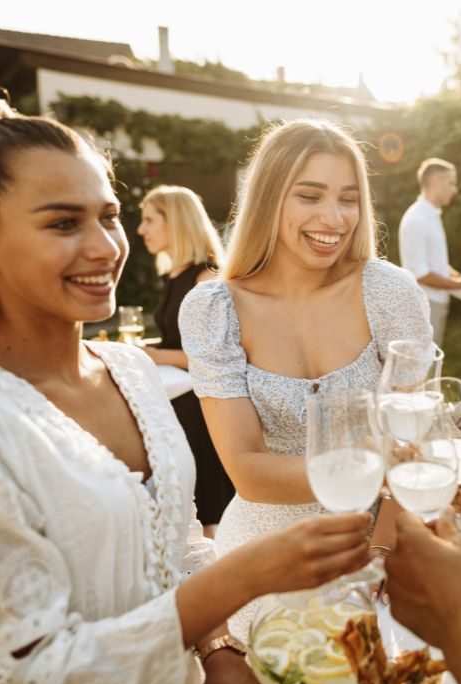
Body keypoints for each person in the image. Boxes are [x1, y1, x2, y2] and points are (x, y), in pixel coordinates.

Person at [0, 62, 372, 684]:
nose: (106, 247)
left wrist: (220, 651)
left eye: (108, 215)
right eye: (62, 223)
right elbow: (24, 669)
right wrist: (240, 579)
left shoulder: (130, 372)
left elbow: (178, 544)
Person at [178, 118, 432, 642]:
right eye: (310, 196)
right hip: (262, 562)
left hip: (384, 552)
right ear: (269, 198)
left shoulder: (389, 291)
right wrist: (375, 461)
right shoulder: (213, 309)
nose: (333, 218)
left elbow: (416, 440)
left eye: (348, 198)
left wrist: (379, 556)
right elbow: (247, 470)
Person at [136, 185, 234, 536]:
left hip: (203, 407)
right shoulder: (175, 275)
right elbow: (177, 338)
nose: (140, 229)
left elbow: (218, 355)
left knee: (208, 503)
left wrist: (157, 354)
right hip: (178, 399)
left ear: (174, 221)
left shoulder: (206, 277)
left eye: (149, 220)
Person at [398, 158, 461, 345]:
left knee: (432, 365)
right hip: (424, 304)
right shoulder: (417, 219)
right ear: (435, 182)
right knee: (422, 368)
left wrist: (459, 276)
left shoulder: (431, 215)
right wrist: (460, 284)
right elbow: (421, 273)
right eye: (451, 183)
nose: (455, 189)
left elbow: (436, 262)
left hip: (435, 302)